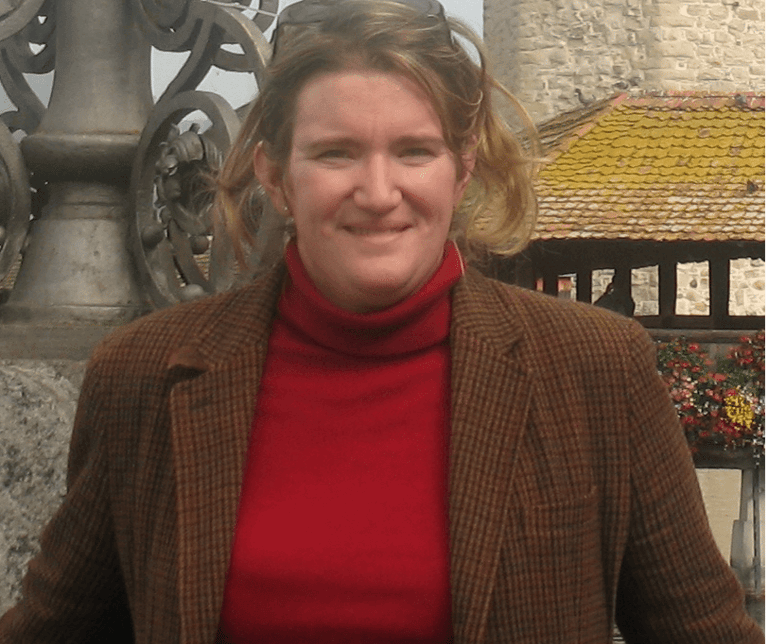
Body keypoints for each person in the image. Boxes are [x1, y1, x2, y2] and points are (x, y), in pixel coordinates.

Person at [0, 0, 762, 642]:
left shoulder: (593, 370)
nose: (377, 190)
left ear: (462, 168)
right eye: (335, 153)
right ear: (275, 174)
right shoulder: (145, 377)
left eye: (414, 151)